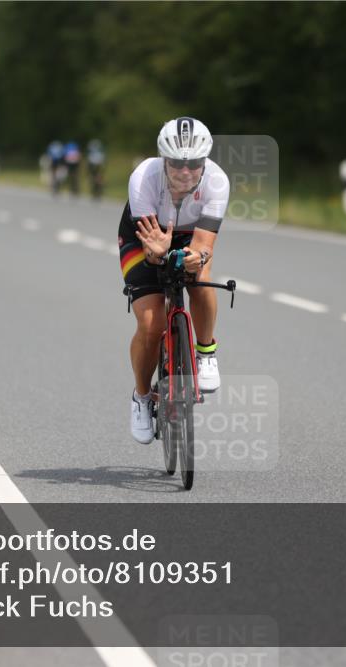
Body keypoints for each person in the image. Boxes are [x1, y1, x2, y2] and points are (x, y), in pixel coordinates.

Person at [118, 117, 229, 444]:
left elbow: (204, 245)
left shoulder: (217, 182)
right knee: (152, 324)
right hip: (144, 238)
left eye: (194, 163)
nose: (185, 172)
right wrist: (157, 253)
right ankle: (141, 397)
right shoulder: (143, 179)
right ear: (163, 160)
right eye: (177, 164)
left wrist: (197, 258)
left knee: (199, 276)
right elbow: (153, 253)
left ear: (204, 161)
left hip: (189, 235)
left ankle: (205, 351)